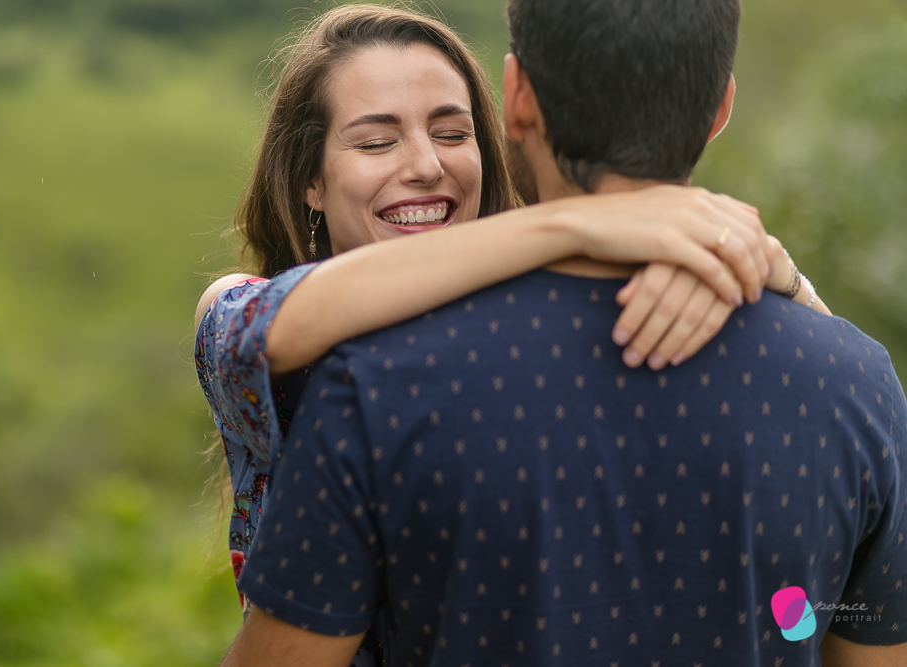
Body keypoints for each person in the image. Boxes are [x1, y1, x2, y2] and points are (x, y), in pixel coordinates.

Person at [231, 1, 907, 666]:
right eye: (377, 141)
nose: (426, 167)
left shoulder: (379, 381)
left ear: (516, 96)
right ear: (721, 107)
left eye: (449, 132)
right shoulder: (856, 383)